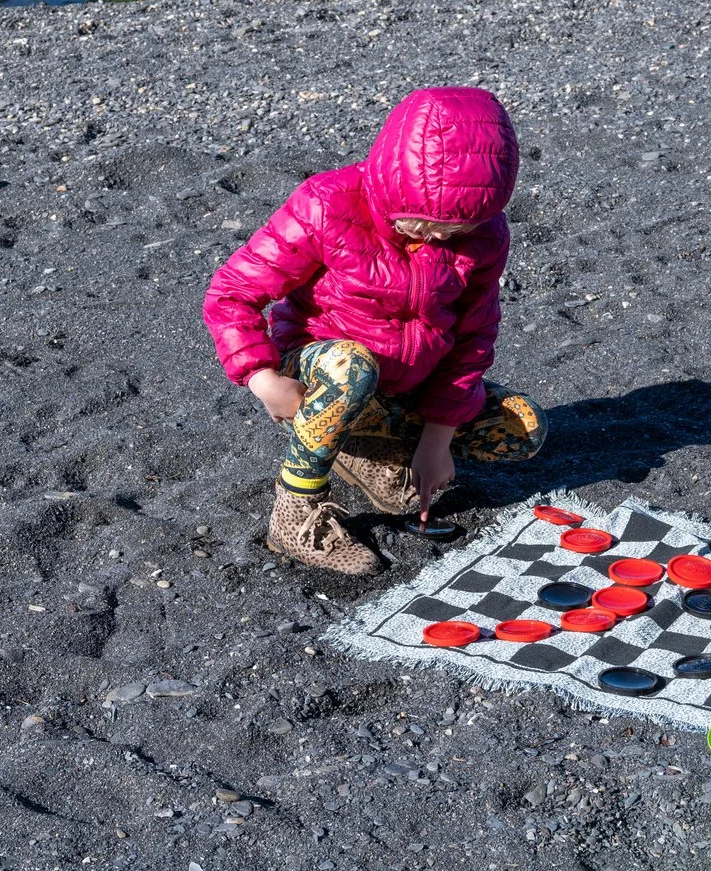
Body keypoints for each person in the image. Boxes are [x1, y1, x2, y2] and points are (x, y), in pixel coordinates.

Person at [202, 86, 545, 575]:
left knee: (525, 427)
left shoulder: (485, 234)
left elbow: (473, 339)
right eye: (423, 225)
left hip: (406, 388)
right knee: (351, 369)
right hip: (321, 374)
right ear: (391, 185)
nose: (437, 239)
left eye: (454, 231)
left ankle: (370, 449)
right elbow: (232, 292)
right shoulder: (327, 203)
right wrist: (262, 377)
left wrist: (437, 439)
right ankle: (295, 514)